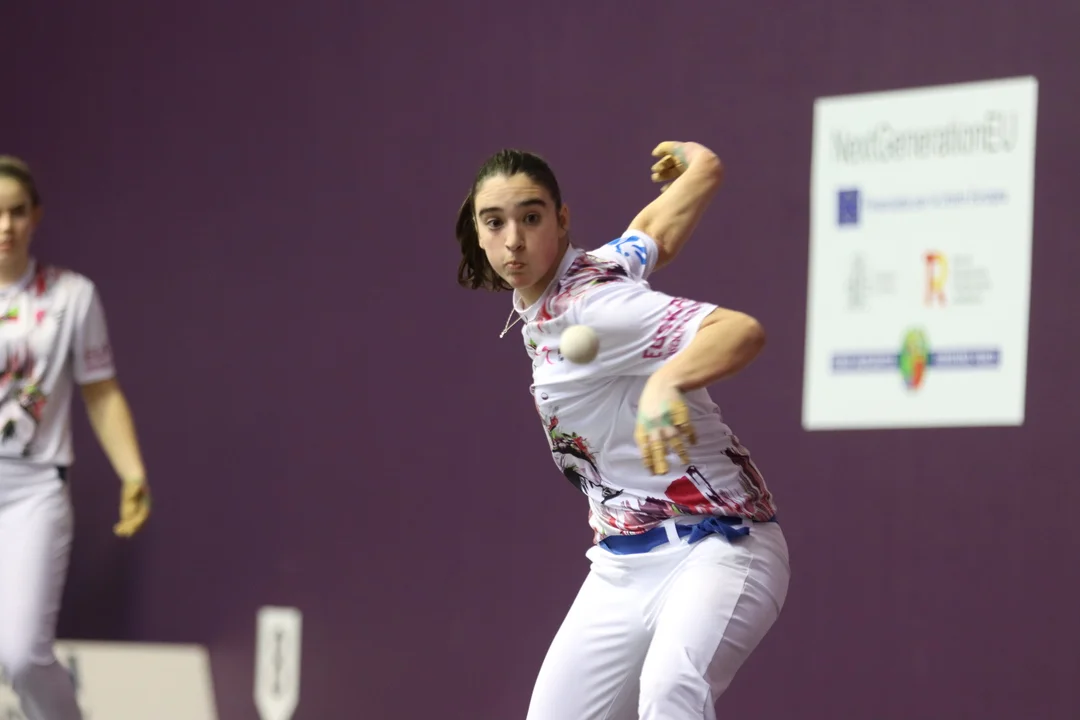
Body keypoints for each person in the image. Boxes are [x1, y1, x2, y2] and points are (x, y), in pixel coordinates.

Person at [455, 141, 791, 719]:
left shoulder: (595, 306)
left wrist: (668, 382)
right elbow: (653, 232)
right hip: (622, 565)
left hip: (720, 546)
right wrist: (704, 168)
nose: (513, 240)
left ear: (561, 221)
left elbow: (739, 331)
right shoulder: (590, 269)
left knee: (671, 690)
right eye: (496, 222)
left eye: (531, 218)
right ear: (479, 233)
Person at [0, 155, 152, 720]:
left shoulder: (71, 296)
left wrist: (132, 474)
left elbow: (101, 392)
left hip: (33, 492)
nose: (5, 226)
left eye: (17, 212)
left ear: (36, 216)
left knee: (20, 655)